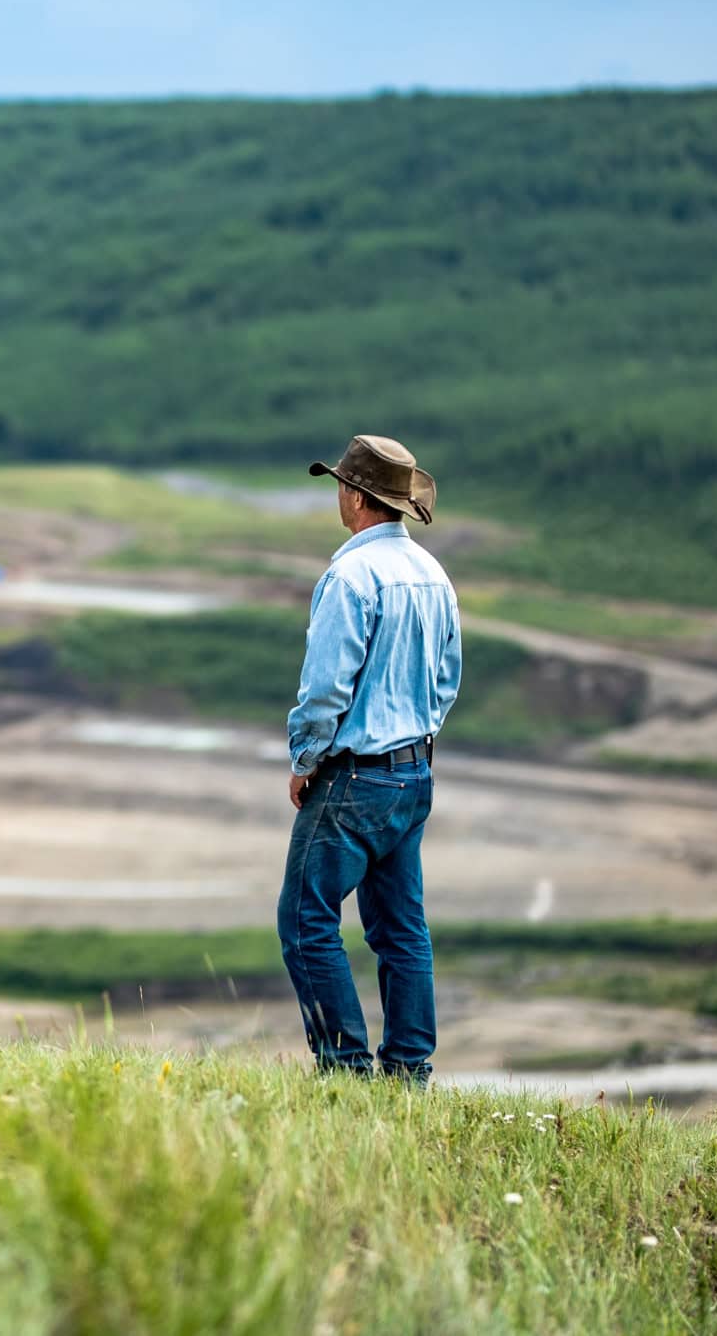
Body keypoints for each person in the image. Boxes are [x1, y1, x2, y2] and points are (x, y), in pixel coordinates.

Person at [278, 434, 461, 1083]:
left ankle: (346, 1067)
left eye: (339, 485)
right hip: (414, 775)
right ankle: (409, 1071)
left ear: (355, 496)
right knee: (401, 928)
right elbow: (446, 678)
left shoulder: (350, 576)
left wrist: (305, 758)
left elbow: (326, 688)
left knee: (305, 918)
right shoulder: (435, 577)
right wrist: (413, 735)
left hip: (353, 777)